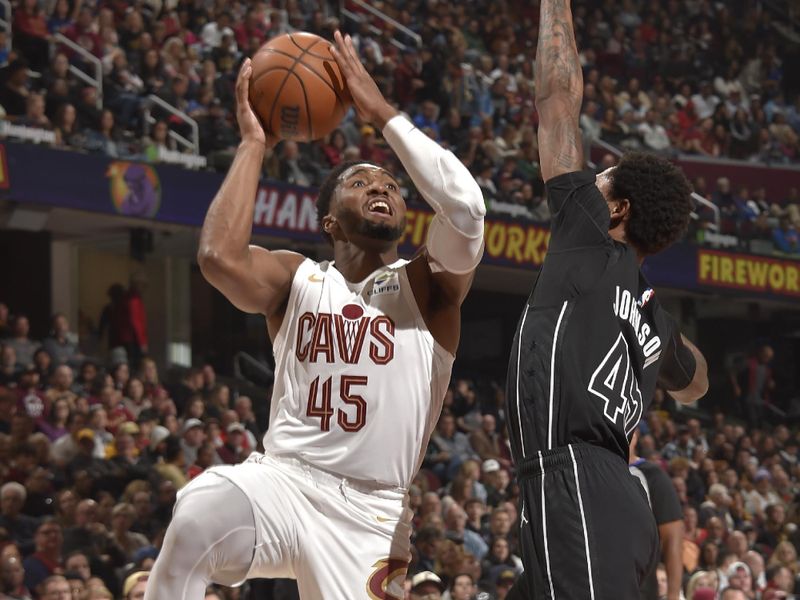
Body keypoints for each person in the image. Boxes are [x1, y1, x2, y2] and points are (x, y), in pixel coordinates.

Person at [146, 30, 485, 600]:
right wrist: (255, 142)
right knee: (197, 516)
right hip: (283, 480)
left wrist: (381, 113)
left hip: (372, 513)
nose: (381, 187)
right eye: (360, 182)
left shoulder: (428, 289)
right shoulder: (297, 279)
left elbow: (467, 209)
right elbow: (217, 257)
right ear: (328, 220)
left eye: (391, 185)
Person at [504, 2, 709, 599]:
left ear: (615, 211)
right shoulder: (654, 316)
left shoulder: (588, 237)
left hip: (575, 479)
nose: (588, 183)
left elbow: (557, 98)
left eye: (602, 181)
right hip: (613, 494)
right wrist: (659, 342)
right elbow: (697, 382)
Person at [630, 431, 684, 600]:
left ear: (636, 435)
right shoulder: (592, 470)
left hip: (641, 590)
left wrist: (673, 595)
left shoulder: (652, 475)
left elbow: (672, 539)